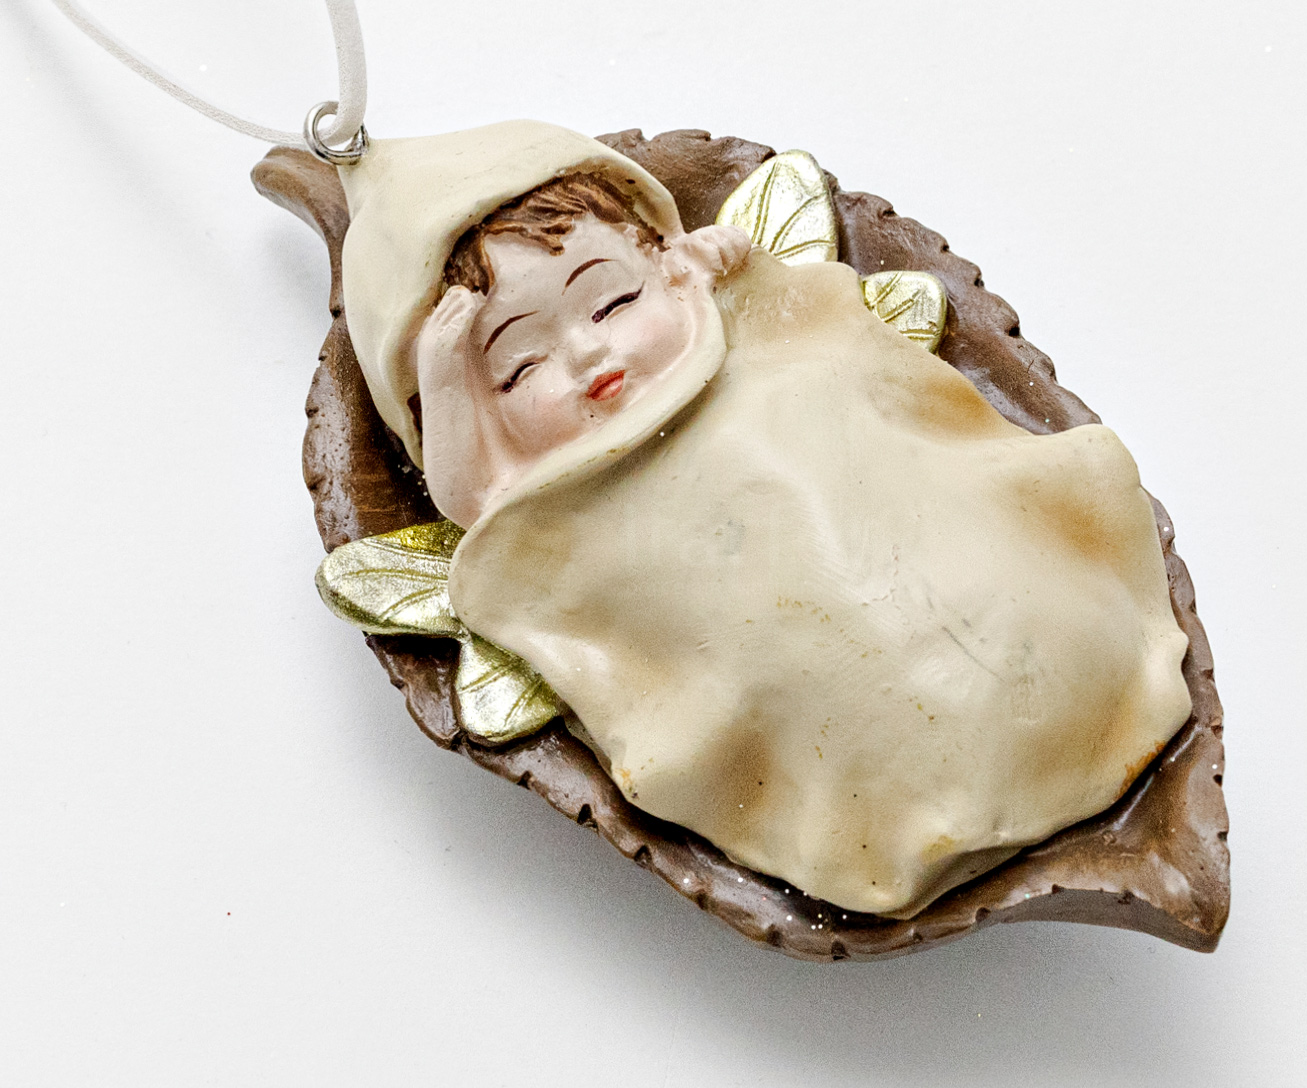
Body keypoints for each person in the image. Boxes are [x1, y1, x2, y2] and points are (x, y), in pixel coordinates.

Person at [337, 121, 1192, 917]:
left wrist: (716, 266)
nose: (590, 354)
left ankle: (1086, 672)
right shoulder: (549, 507)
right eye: (522, 367)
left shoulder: (758, 336)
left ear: (662, 261)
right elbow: (469, 500)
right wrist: (442, 376)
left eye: (611, 303)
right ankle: (899, 809)